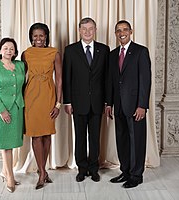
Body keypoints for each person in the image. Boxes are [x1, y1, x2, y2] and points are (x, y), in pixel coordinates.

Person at [63, 17, 110, 182]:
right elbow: (67, 78)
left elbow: (107, 79)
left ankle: (94, 168)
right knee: (80, 137)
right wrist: (67, 102)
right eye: (84, 29)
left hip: (97, 103)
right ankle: (82, 168)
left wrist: (107, 102)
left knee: (95, 138)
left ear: (95, 30)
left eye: (91, 29)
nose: (88, 32)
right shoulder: (70, 50)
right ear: (79, 30)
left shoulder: (104, 50)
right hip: (77, 103)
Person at [105, 20, 151, 188]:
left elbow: (145, 81)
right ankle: (125, 171)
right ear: (115, 33)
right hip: (118, 106)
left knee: (136, 140)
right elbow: (111, 80)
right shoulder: (113, 54)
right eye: (118, 30)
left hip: (135, 106)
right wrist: (109, 103)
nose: (121, 32)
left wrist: (142, 105)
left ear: (131, 32)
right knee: (122, 139)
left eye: (125, 29)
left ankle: (136, 175)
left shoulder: (140, 51)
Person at [21, 23, 62, 190]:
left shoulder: (54, 53)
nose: (38, 39)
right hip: (31, 98)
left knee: (46, 135)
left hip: (48, 96)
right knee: (36, 136)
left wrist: (58, 103)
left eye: (41, 35)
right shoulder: (26, 54)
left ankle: (43, 170)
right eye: (35, 36)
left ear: (46, 37)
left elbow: (59, 80)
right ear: (31, 37)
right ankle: (42, 173)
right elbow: (20, 77)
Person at [0, 38, 25, 193]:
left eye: (12, 48)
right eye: (6, 48)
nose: (9, 51)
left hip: (17, 108)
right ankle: (9, 176)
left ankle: (4, 171)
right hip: (1, 110)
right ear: (0, 50)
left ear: (15, 51)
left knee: (12, 143)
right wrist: (1, 110)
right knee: (5, 146)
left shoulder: (20, 65)